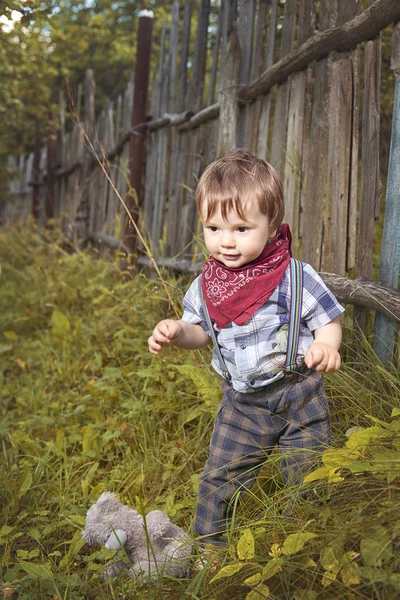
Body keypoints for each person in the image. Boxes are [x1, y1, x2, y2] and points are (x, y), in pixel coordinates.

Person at [148, 148, 344, 547]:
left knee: (308, 475)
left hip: (298, 393)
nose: (226, 242)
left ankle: (306, 542)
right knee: (219, 476)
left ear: (272, 225)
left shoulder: (293, 275)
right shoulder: (207, 285)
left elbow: (327, 317)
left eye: (241, 229)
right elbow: (200, 333)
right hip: (243, 404)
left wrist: (326, 345)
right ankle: (210, 547)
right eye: (214, 228)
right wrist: (176, 330)